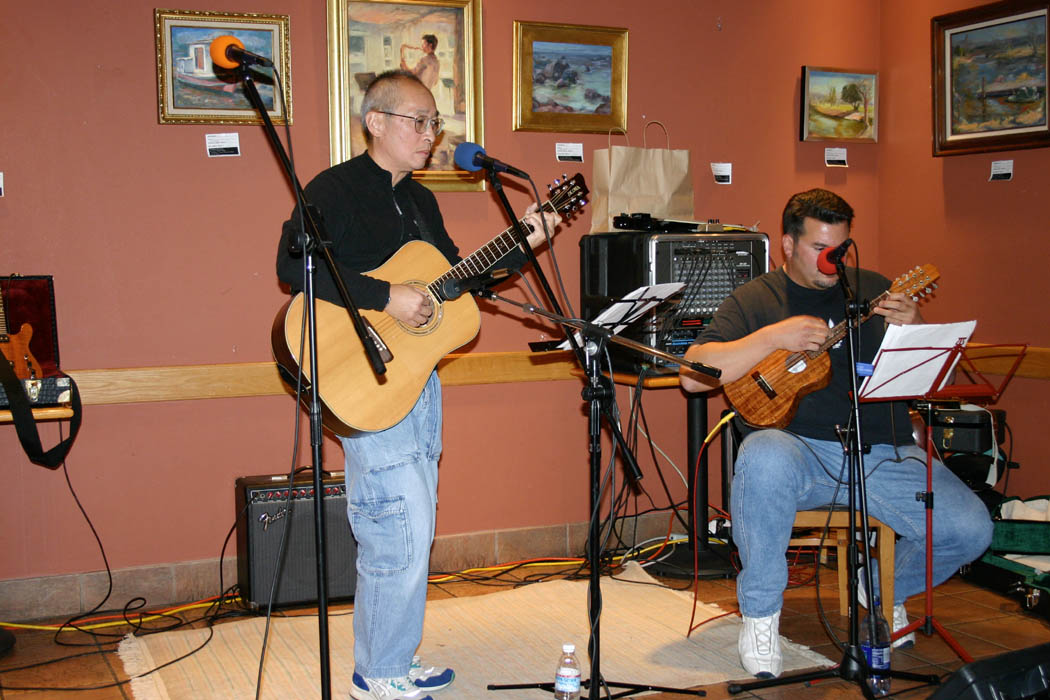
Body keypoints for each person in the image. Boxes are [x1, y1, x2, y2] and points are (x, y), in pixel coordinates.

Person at [276, 70, 559, 700]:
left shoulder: (421, 200)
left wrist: (522, 244)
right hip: (367, 380)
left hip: (416, 382)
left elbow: (457, 281)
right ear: (375, 122)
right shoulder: (336, 189)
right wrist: (386, 296)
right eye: (418, 121)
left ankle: (392, 659)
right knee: (394, 533)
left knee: (411, 530)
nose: (431, 135)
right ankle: (377, 677)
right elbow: (292, 265)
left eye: (436, 123)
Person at [679, 188, 993, 679]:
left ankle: (884, 589)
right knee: (761, 454)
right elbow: (692, 375)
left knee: (973, 528)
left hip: (882, 452)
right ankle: (761, 616)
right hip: (797, 450)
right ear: (786, 244)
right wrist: (771, 338)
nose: (832, 260)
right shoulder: (755, 298)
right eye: (819, 248)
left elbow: (940, 381)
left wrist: (916, 326)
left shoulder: (874, 289)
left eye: (840, 248)